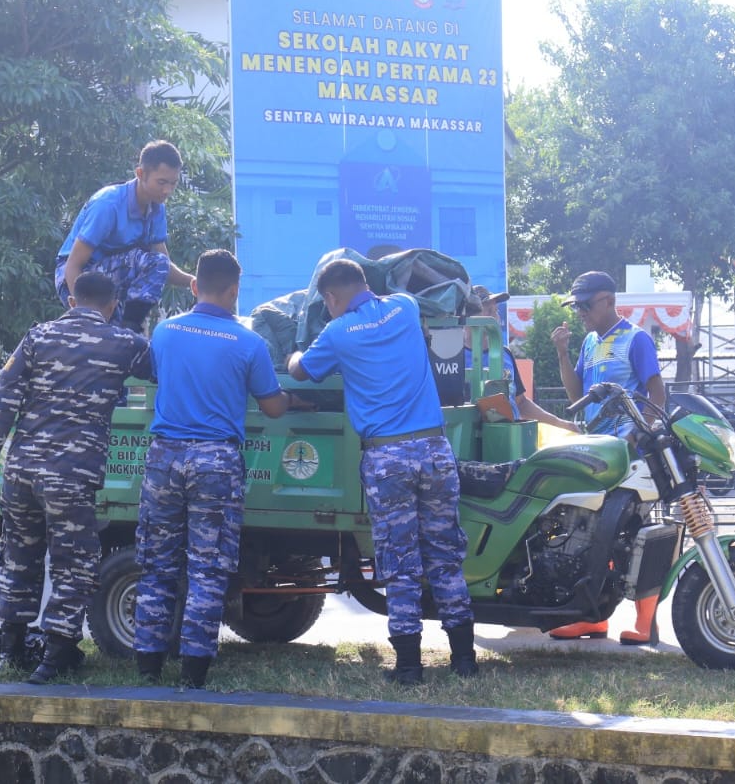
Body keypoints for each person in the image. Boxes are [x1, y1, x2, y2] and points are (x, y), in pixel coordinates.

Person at [288, 259, 477, 685]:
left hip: (387, 458)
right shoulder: (406, 307)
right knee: (445, 556)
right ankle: (465, 660)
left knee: (401, 563)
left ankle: (409, 667)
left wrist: (294, 353)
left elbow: (302, 370)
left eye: (328, 304)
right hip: (434, 449)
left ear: (331, 298)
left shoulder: (337, 333)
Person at [0, 271, 153, 684]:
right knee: (74, 563)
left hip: (21, 470)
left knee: (19, 555)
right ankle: (56, 656)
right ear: (112, 304)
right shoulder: (124, 343)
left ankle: (11, 649)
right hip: (70, 474)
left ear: (72, 301)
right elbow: (165, 370)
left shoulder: (37, 336)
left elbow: (5, 391)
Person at [132, 249, 294, 689]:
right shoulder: (248, 343)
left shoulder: (165, 332)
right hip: (215, 463)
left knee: (157, 564)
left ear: (194, 284)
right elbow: (273, 407)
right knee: (207, 569)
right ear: (234, 290)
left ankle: (147, 665)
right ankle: (193, 672)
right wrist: (295, 399)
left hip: (164, 458)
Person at [548, 270, 667, 646]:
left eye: (585, 305)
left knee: (638, 535)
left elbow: (657, 392)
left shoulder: (636, 339)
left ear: (608, 301)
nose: (580, 312)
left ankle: (645, 623)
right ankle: (593, 617)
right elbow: (576, 393)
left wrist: (637, 434)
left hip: (629, 456)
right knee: (589, 534)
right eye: (577, 306)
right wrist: (563, 354)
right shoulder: (588, 342)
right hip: (596, 455)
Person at [55, 140, 194, 334]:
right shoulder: (108, 204)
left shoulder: (157, 208)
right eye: (161, 182)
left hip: (112, 277)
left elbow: (162, 267)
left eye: (173, 183)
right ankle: (128, 328)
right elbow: (73, 263)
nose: (167, 191)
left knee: (116, 342)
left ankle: (129, 328)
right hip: (75, 276)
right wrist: (82, 314)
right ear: (140, 174)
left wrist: (194, 282)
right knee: (99, 332)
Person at [466, 285, 579, 432]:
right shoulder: (455, 358)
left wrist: (562, 424)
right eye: (488, 311)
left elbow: (521, 403)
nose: (496, 317)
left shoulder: (505, 354)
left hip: (510, 440)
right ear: (468, 317)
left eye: (496, 311)